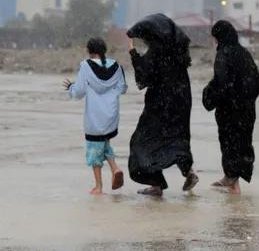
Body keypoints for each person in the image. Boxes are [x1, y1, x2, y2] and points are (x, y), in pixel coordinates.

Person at [126, 13, 198, 196]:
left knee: (142, 141)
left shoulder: (157, 52)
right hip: (181, 101)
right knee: (178, 138)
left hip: (160, 104)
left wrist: (134, 54)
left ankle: (156, 184)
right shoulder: (178, 51)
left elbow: (144, 78)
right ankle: (188, 172)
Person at [202, 20, 259, 195]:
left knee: (229, 144)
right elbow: (256, 83)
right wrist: (246, 101)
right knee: (242, 143)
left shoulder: (223, 54)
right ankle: (231, 179)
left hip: (230, 111)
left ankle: (233, 183)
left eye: (215, 38)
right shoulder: (244, 53)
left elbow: (221, 83)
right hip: (247, 111)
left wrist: (212, 99)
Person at [62, 38, 127, 195]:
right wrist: (109, 95)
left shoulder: (86, 66)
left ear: (90, 51)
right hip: (110, 116)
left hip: (95, 117)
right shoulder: (117, 66)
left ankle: (98, 186)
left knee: (93, 151)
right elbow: (122, 88)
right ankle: (115, 169)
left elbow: (79, 92)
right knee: (104, 145)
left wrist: (70, 87)